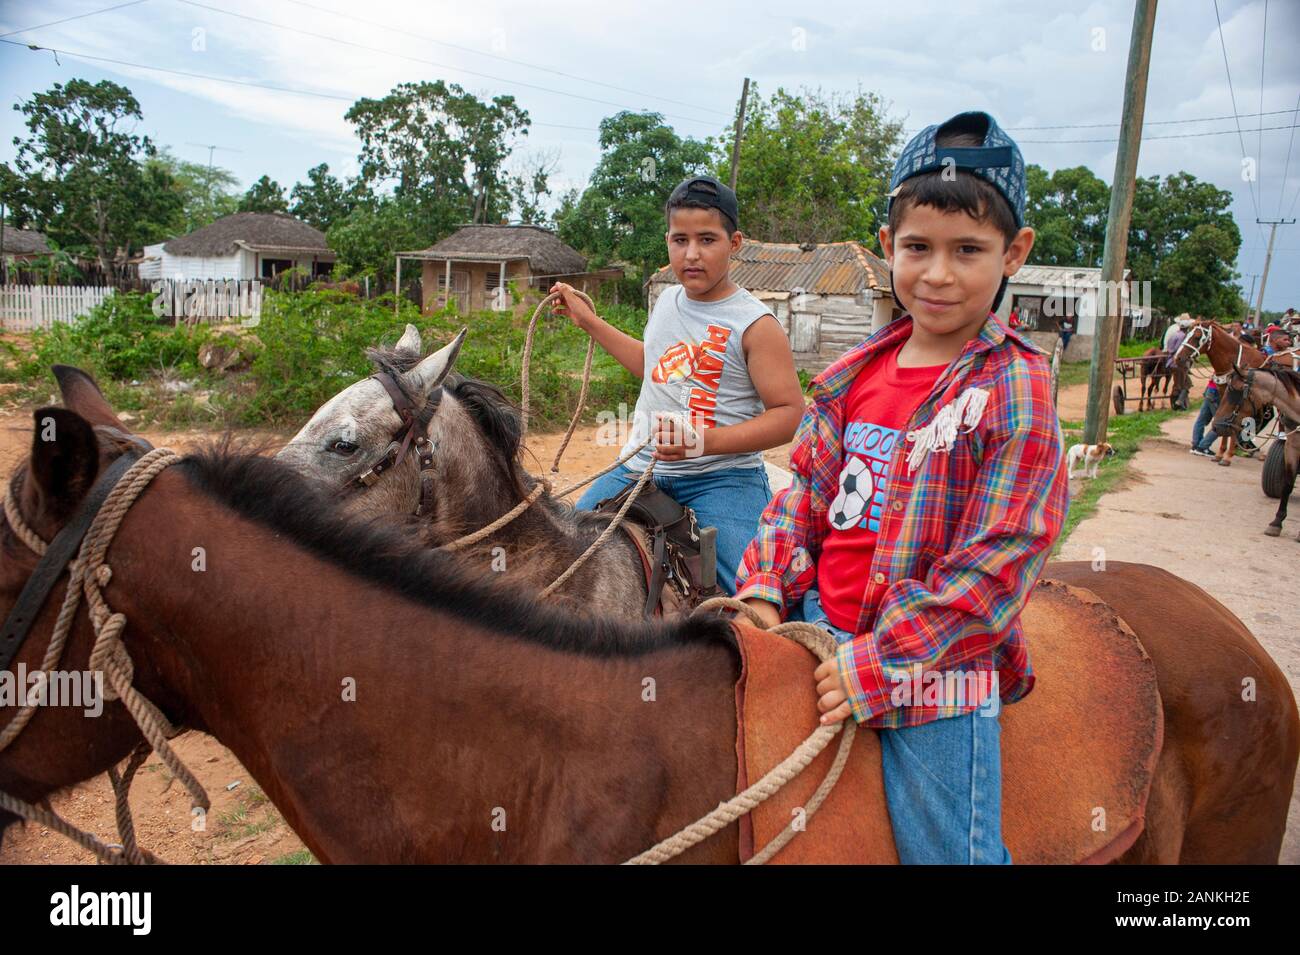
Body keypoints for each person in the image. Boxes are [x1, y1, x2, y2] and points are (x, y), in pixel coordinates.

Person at [735, 111, 1068, 864]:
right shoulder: (852, 375)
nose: (938, 273)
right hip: (818, 623)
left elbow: (999, 563)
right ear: (889, 247)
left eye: (969, 251)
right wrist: (763, 585)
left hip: (934, 670)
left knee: (946, 851)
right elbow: (804, 498)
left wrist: (879, 665)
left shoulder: (1016, 387)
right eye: (918, 247)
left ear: (1013, 253)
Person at [551, 175, 803, 595]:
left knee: (749, 591)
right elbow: (653, 366)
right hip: (639, 467)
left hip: (721, 477)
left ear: (734, 243)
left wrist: (703, 443)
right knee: (566, 551)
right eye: (679, 240)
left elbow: (789, 415)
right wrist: (588, 322)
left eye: (707, 240)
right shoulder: (667, 300)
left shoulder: (756, 324)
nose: (691, 254)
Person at [1190, 378, 1222, 457]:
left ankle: (1196, 445)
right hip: (1217, 392)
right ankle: (1202, 447)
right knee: (1221, 423)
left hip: (1210, 389)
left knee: (1201, 420)